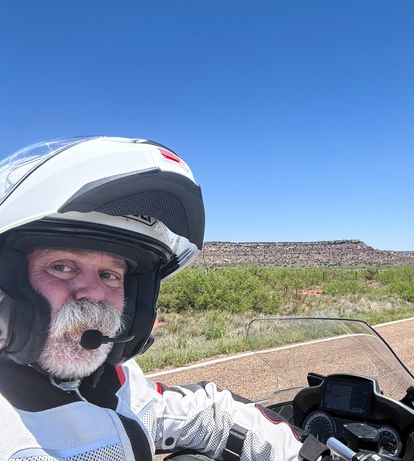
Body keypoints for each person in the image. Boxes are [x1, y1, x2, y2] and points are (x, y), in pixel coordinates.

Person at [0, 137, 330, 461]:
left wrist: (315, 456)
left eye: (110, 275)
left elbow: (207, 417)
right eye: (62, 267)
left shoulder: (114, 380)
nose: (96, 293)